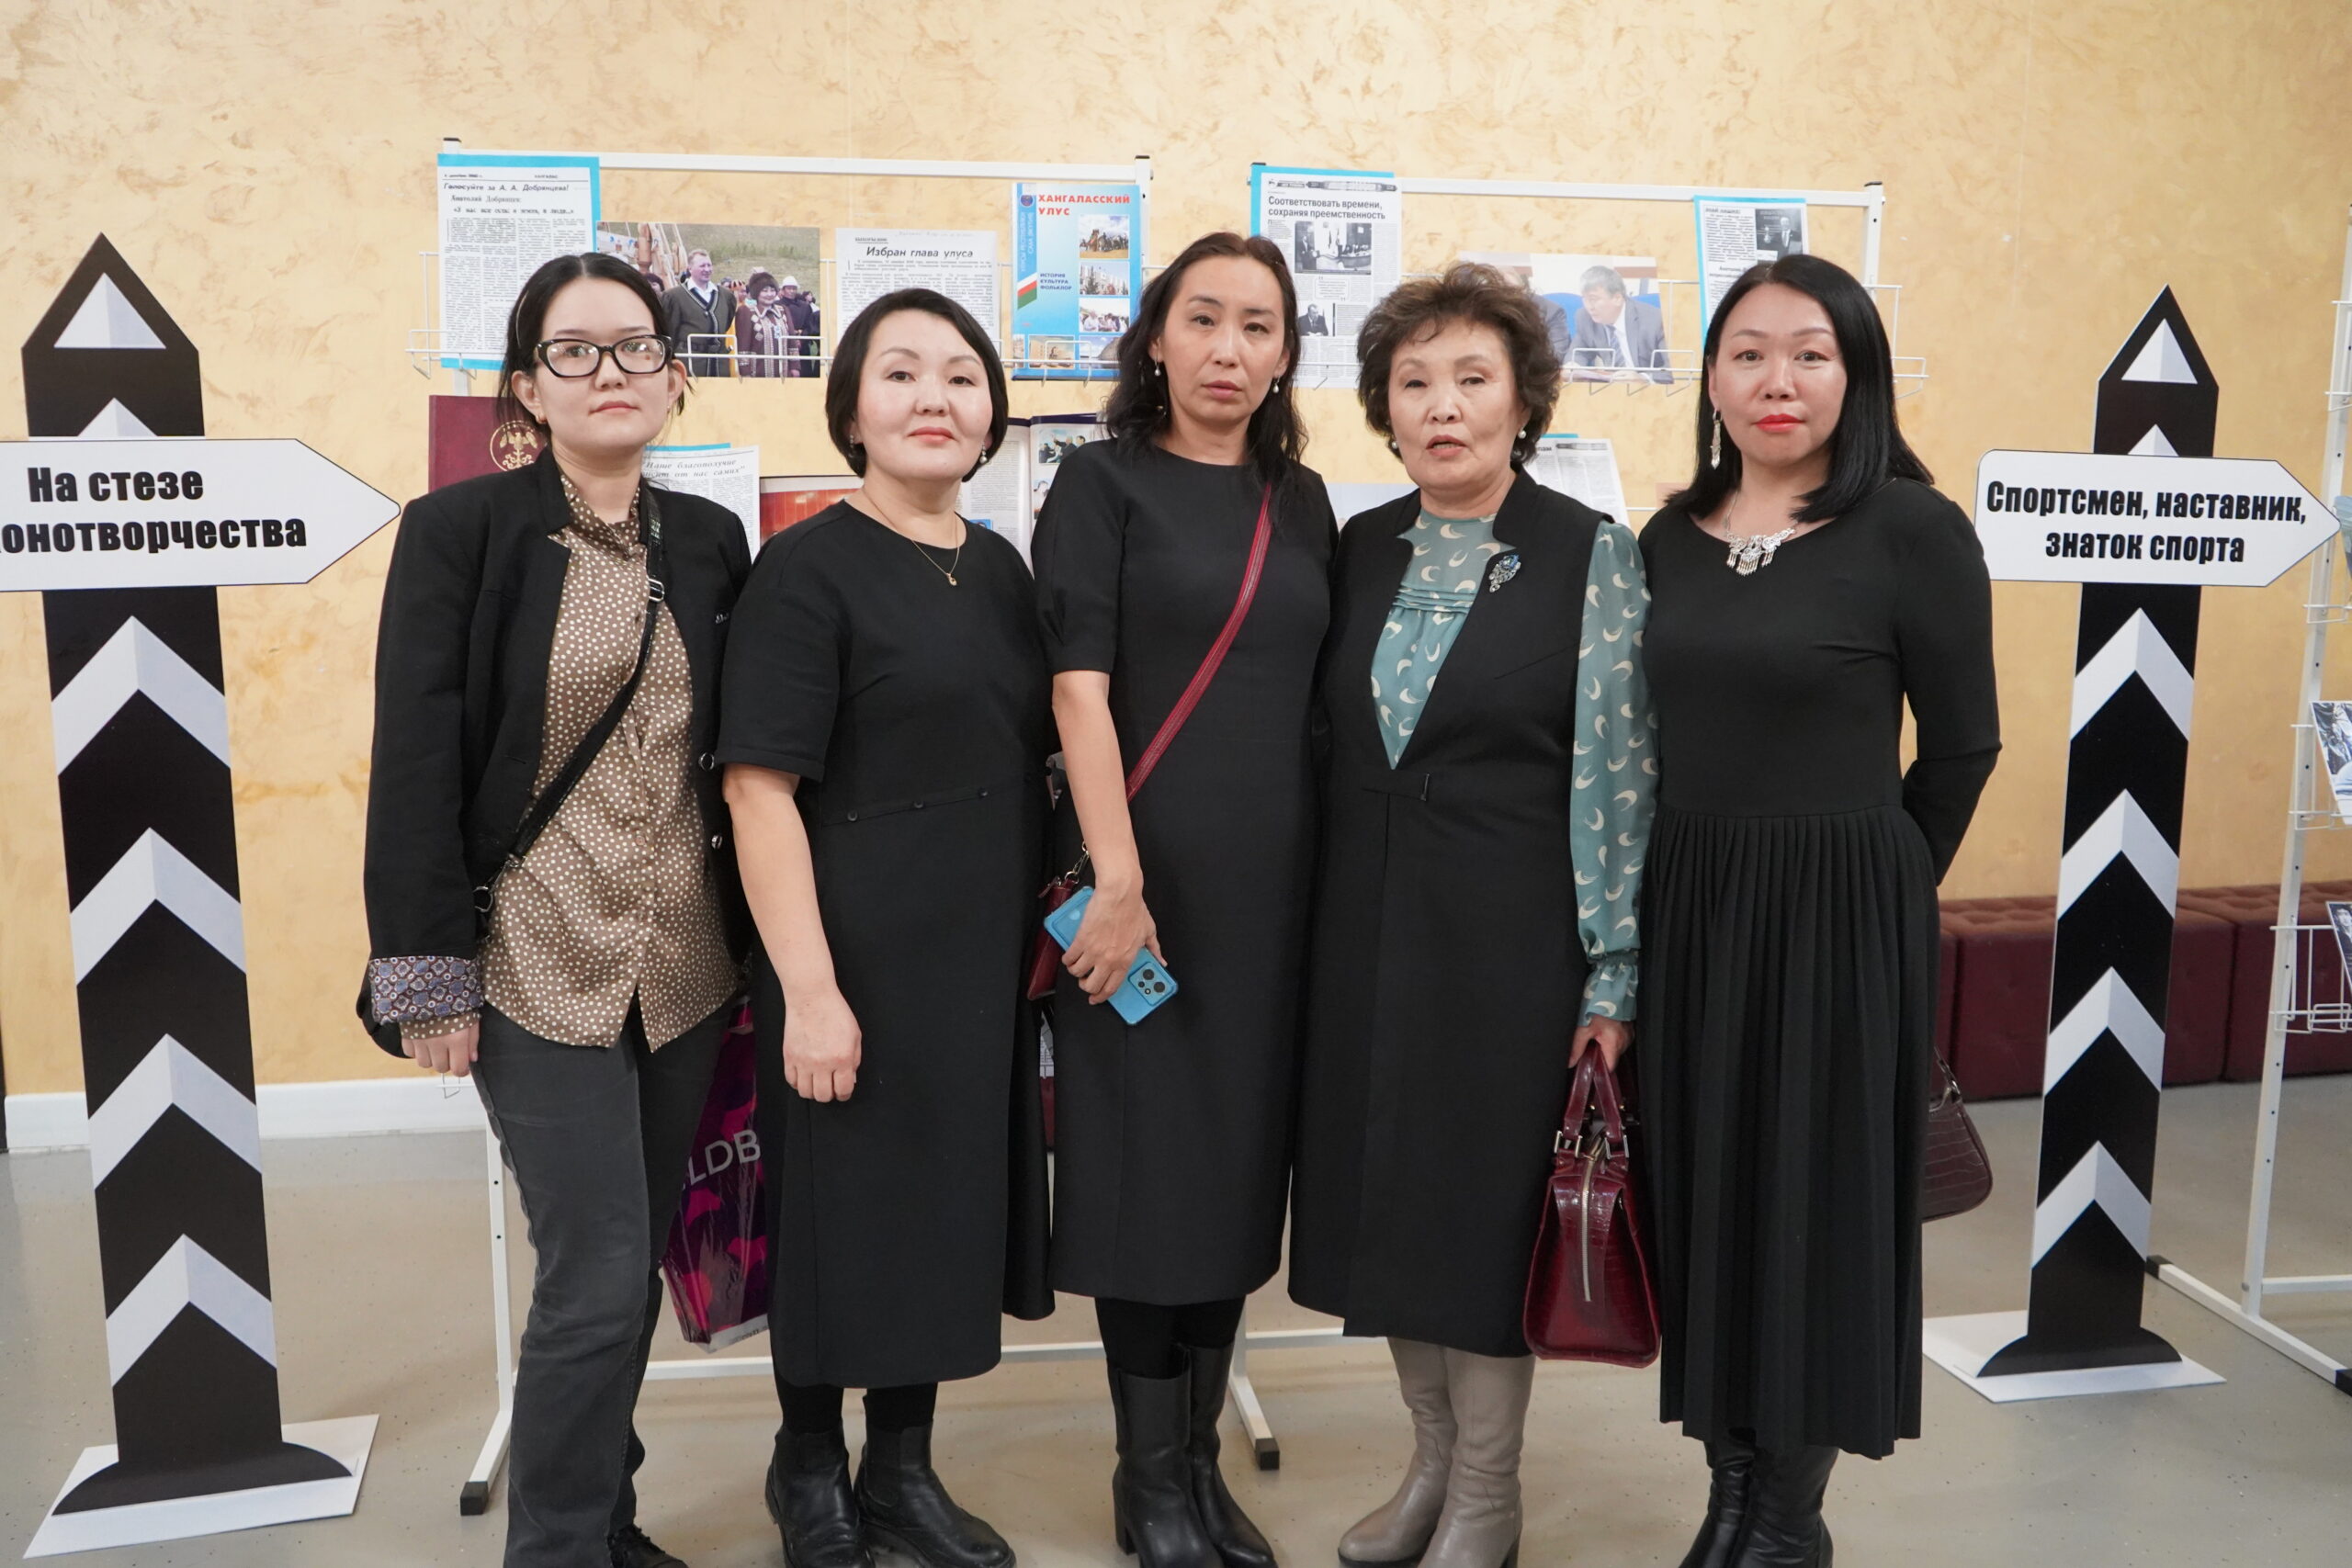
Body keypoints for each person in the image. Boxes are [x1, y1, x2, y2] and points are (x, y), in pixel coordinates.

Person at [363, 251, 751, 1568]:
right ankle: (559, 1547)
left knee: (628, 1266)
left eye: (636, 346)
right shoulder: (461, 533)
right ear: (527, 385)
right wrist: (428, 976)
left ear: (675, 375)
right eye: (572, 351)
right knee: (592, 1270)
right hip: (535, 956)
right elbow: (416, 758)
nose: (610, 372)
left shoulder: (710, 541)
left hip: (683, 961)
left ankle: (605, 1517)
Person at [1290, 262, 1655, 1568]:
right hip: (1363, 930)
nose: (1442, 406)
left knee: (1480, 1216)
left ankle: (1488, 1493)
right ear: (1384, 409)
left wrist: (1612, 971)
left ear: (1523, 401)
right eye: (1414, 382)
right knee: (1388, 1207)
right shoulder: (1358, 547)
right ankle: (1432, 1464)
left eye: (1471, 378)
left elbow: (1618, 771)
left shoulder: (1590, 552)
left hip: (1511, 941)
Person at [1638, 254, 1999, 1568]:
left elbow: (1961, 747)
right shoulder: (1666, 537)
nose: (1775, 379)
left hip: (1839, 914)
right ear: (1712, 379)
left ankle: (1787, 1519)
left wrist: (1879, 887)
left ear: (1858, 374)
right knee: (1706, 1195)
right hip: (1689, 902)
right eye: (1747, 352)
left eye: (1809, 352)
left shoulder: (1912, 529)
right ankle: (1729, 1490)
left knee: (1814, 1205)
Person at [719, 287, 1051, 1568]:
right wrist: (809, 990)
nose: (934, 397)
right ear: (851, 409)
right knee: (837, 1214)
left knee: (940, 1212)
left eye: (961, 376)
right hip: (850, 947)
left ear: (991, 417)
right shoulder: (806, 569)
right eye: (901, 372)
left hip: (973, 954)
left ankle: (902, 1469)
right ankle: (807, 1464)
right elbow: (759, 792)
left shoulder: (1001, 569)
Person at [1031, 230, 1336, 1568]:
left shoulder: (1302, 499)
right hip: (1138, 897)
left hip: (1273, 900)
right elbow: (1076, 690)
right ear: (1154, 338)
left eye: (1258, 326)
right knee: (1144, 1178)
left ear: (1284, 354)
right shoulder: (1099, 483)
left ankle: (1198, 1464)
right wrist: (1118, 879)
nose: (1228, 348)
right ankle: (1146, 1478)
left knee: (1230, 1179)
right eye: (1203, 318)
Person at [1569, 265, 1671, 382]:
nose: (1589, 307)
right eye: (1584, 299)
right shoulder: (1585, 317)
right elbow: (1578, 352)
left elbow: (1674, 368)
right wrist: (1574, 366)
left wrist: (1644, 378)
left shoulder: (1655, 320)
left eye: (1593, 299)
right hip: (1611, 387)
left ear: (1617, 298)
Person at [660, 249, 737, 378]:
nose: (707, 269)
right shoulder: (674, 296)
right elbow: (669, 331)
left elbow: (726, 323)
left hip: (719, 364)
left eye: (709, 265)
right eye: (702, 266)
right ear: (690, 268)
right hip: (690, 363)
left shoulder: (726, 296)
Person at [735, 271, 789, 379]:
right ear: (756, 293)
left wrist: (795, 367)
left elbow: (792, 342)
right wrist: (745, 371)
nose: (769, 294)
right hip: (757, 373)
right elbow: (743, 345)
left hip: (784, 373)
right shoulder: (747, 312)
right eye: (765, 291)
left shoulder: (783, 311)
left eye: (772, 290)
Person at [780, 276, 822, 377]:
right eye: (789, 288)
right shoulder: (776, 305)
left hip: (802, 346)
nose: (791, 291)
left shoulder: (805, 306)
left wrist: (801, 339)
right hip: (783, 344)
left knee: (805, 373)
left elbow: (809, 326)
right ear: (783, 290)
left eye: (794, 288)